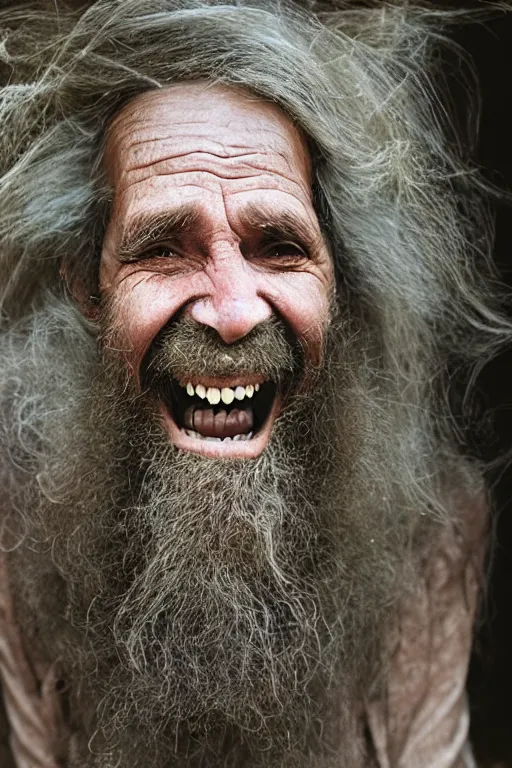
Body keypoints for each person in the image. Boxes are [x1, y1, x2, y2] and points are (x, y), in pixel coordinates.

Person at [0, 1, 503, 766]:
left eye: (279, 246)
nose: (234, 312)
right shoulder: (18, 526)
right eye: (164, 247)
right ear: (85, 287)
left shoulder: (434, 530)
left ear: (342, 287)